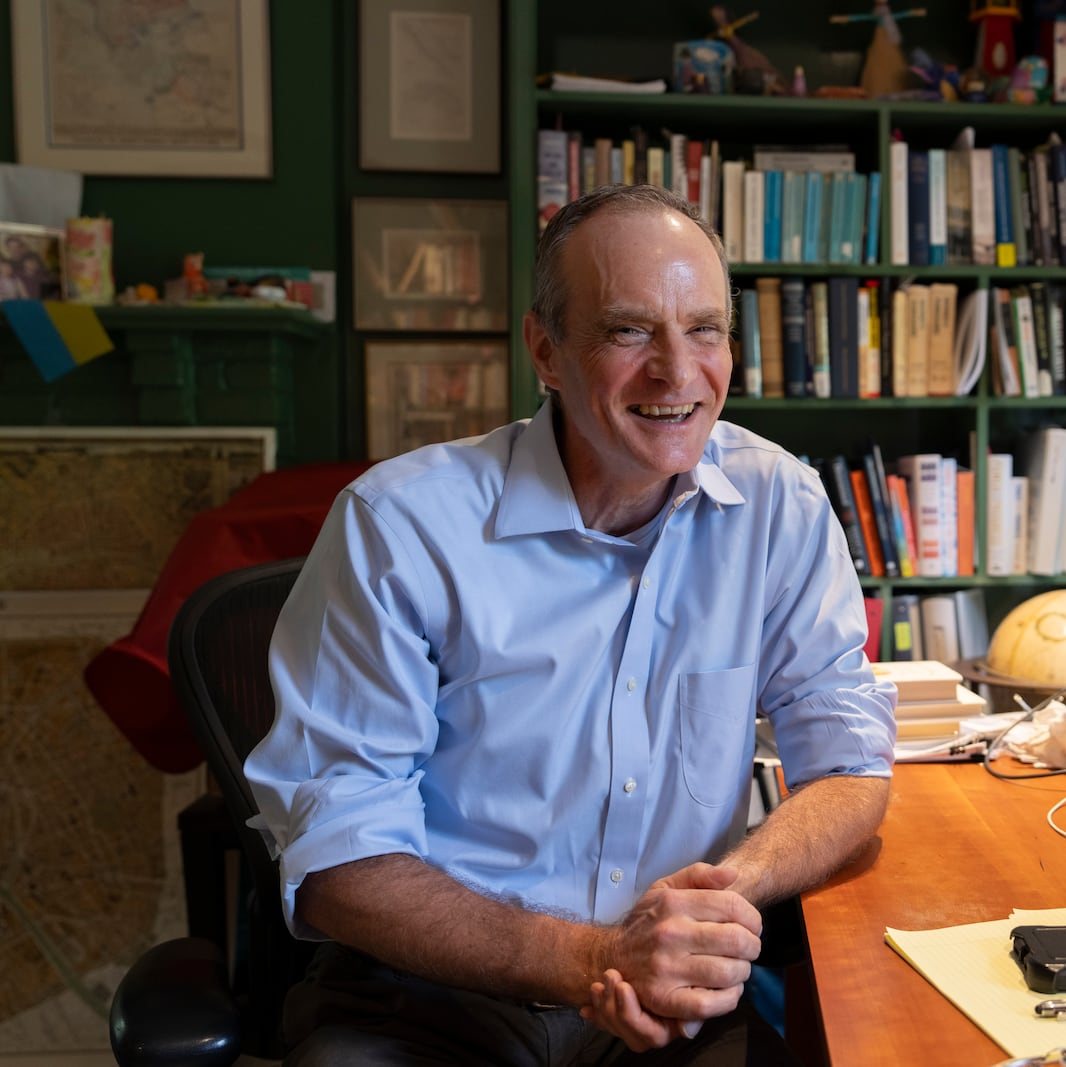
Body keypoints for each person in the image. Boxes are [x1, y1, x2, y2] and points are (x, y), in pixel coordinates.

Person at [244, 182, 896, 1066]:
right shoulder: (401, 527)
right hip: (438, 993)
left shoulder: (777, 504)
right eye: (631, 331)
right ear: (545, 350)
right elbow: (336, 866)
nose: (677, 371)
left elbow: (852, 765)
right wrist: (595, 959)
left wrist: (716, 898)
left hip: (675, 1002)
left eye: (705, 329)